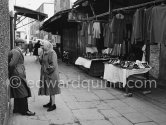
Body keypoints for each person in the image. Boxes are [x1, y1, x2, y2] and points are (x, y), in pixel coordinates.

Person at [8, 41, 35, 116]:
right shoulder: (16, 51)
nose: (25, 45)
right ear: (20, 44)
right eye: (24, 44)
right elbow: (12, 64)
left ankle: (16, 109)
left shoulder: (15, 50)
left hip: (17, 74)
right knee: (23, 92)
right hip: (18, 75)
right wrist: (12, 73)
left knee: (18, 92)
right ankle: (25, 111)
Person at [38, 40, 60, 112]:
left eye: (43, 45)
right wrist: (40, 56)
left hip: (51, 74)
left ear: (48, 46)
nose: (42, 46)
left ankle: (53, 105)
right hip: (47, 74)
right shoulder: (45, 52)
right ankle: (50, 102)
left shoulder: (52, 53)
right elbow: (42, 62)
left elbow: (53, 65)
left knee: (52, 89)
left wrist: (47, 71)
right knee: (49, 88)